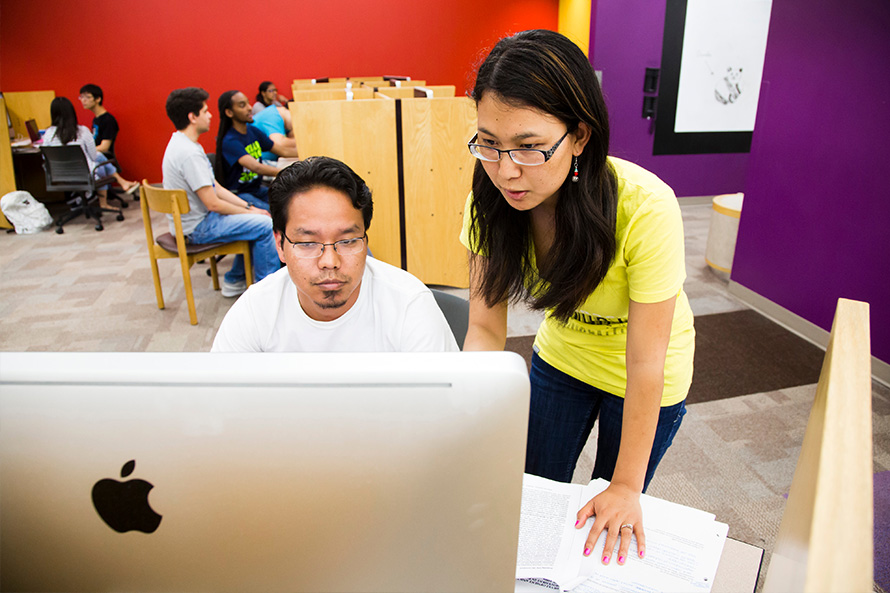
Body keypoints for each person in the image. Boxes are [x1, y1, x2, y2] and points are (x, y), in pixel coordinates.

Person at [461, 30, 694, 566]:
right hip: (563, 358)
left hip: (646, 373)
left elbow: (645, 362)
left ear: (581, 137)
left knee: (610, 508)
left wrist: (625, 487)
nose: (506, 169)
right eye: (489, 143)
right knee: (533, 496)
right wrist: (467, 423)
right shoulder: (487, 201)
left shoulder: (645, 207)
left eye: (529, 145)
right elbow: (484, 331)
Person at [212, 156, 458, 353]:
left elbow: (445, 409)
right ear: (280, 245)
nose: (330, 261)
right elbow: (220, 405)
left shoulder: (408, 306)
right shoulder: (256, 310)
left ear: (365, 238)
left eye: (348, 240)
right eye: (308, 242)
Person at [162, 87, 280, 297]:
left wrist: (247, 207)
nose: (210, 115)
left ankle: (234, 279)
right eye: (205, 111)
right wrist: (252, 213)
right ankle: (266, 293)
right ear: (192, 117)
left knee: (257, 218)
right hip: (198, 227)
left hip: (197, 221)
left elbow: (216, 187)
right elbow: (213, 203)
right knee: (265, 224)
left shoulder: (184, 144)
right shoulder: (189, 153)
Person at [42, 97, 135, 211]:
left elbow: (45, 158)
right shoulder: (82, 131)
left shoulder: (48, 134)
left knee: (99, 160)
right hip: (84, 176)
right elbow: (93, 156)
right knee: (99, 160)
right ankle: (104, 202)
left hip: (60, 177)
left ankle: (117, 187)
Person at [214, 90, 299, 205]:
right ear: (229, 113)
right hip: (239, 194)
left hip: (257, 189)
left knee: (288, 202)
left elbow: (282, 150)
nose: (249, 108)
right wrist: (288, 172)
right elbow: (256, 167)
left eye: (248, 103)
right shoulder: (230, 141)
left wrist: (307, 153)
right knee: (272, 214)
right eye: (242, 105)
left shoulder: (252, 131)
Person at [77, 83, 140, 194]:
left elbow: (105, 147)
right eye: (81, 97)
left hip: (101, 155)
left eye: (87, 97)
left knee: (96, 157)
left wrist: (86, 150)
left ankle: (118, 185)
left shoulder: (108, 120)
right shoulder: (96, 119)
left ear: (98, 99)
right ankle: (121, 183)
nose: (83, 100)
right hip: (95, 155)